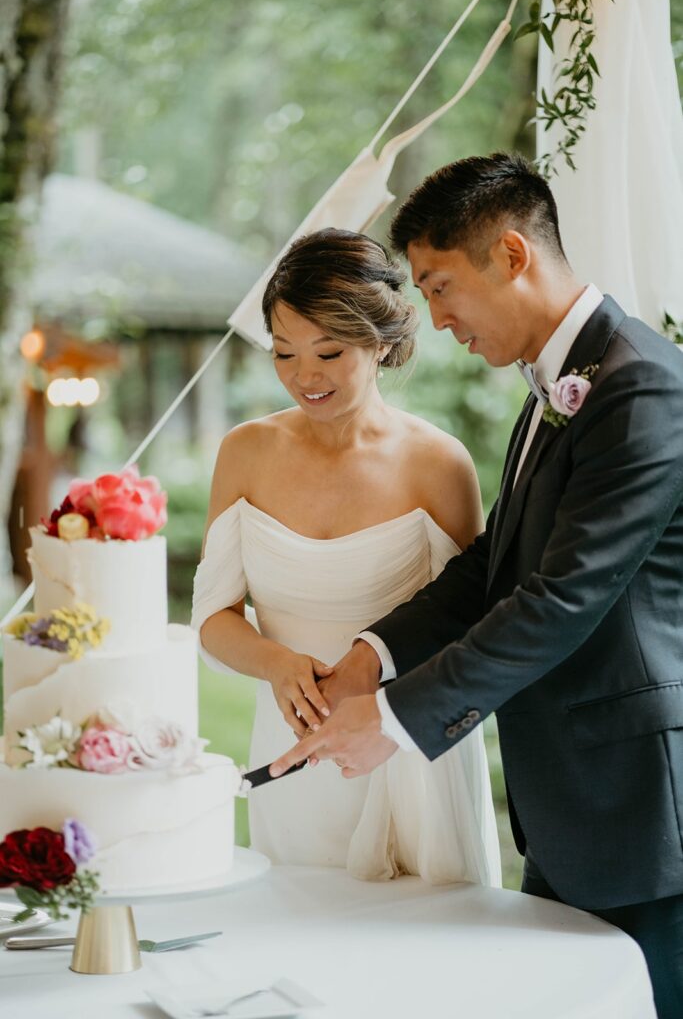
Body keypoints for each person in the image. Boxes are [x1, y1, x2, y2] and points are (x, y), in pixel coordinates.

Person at [270, 154, 683, 1017]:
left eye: (439, 285)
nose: (434, 317)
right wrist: (369, 655)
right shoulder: (554, 384)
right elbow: (500, 566)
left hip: (644, 813)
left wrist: (391, 720)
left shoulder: (640, 388)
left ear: (509, 253)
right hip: (574, 805)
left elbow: (561, 599)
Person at [191, 228, 501, 885]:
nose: (305, 376)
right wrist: (275, 664)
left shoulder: (437, 463)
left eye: (328, 352)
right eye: (283, 353)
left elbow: (475, 617)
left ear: (381, 341)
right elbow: (213, 619)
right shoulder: (244, 453)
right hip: (291, 743)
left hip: (409, 751)